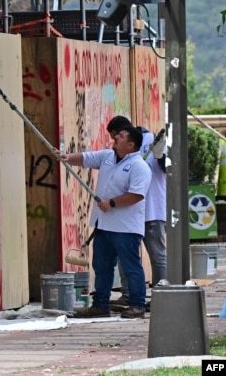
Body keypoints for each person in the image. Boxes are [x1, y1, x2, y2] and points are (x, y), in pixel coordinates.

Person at [58, 125, 152, 319]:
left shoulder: (139, 167)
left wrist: (113, 203)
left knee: (131, 267)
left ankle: (137, 305)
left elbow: (136, 195)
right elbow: (86, 158)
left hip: (126, 227)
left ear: (131, 144)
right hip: (104, 225)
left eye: (122, 136)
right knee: (101, 266)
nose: (116, 136)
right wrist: (67, 157)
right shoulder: (107, 157)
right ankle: (100, 305)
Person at [106, 118, 167, 311]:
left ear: (125, 133)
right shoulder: (120, 150)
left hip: (152, 209)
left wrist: (160, 156)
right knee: (127, 255)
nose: (115, 141)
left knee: (157, 255)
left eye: (117, 137)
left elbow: (170, 169)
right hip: (129, 212)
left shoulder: (153, 141)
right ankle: (128, 295)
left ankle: (161, 297)